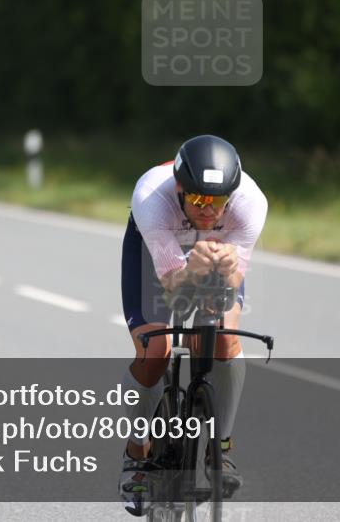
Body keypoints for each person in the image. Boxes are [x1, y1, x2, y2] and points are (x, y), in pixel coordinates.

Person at [118, 134, 268, 516]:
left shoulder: (250, 204)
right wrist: (192, 269)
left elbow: (232, 285)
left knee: (225, 343)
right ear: (180, 189)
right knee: (156, 351)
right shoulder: (153, 197)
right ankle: (137, 450)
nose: (208, 210)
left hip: (214, 256)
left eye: (218, 201)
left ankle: (223, 447)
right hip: (158, 252)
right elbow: (171, 285)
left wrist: (224, 270)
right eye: (199, 199)